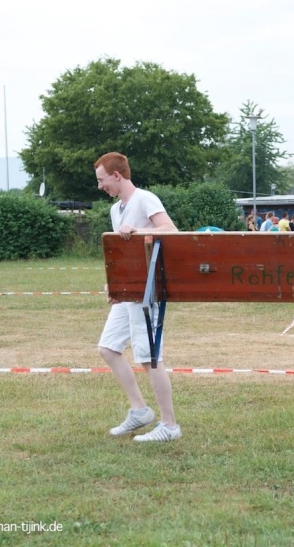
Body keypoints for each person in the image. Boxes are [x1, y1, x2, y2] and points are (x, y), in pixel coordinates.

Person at [94, 152, 183, 442]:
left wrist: (138, 229)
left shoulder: (145, 199)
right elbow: (123, 255)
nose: (100, 186)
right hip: (128, 292)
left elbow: (171, 230)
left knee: (149, 357)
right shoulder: (115, 210)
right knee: (108, 348)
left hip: (149, 292)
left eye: (102, 180)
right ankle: (140, 411)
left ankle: (170, 426)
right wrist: (114, 285)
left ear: (117, 175)